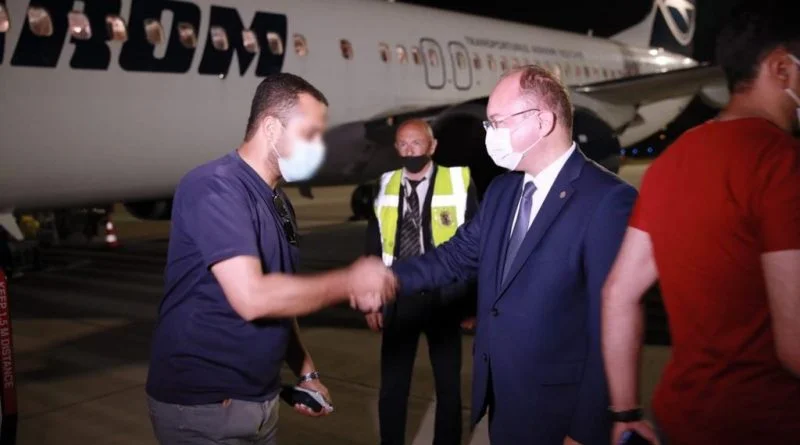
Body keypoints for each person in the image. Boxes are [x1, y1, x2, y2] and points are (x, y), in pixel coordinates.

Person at [364, 65, 638, 444]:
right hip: (502, 400)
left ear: (542, 121)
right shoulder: (502, 191)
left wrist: (585, 429)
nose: (489, 135)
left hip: (559, 412)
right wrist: (387, 278)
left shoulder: (608, 200)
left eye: (497, 122)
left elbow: (611, 323)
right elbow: (454, 257)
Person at [145, 73, 394, 445]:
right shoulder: (214, 187)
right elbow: (253, 297)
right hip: (206, 409)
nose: (318, 148)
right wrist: (349, 281)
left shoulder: (279, 202)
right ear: (272, 128)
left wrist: (306, 372)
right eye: (310, 135)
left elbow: (281, 298)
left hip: (261, 401)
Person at [601, 2, 800, 444]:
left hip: (681, 416)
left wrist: (625, 411)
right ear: (781, 68)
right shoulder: (782, 163)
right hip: (771, 423)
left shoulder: (671, 162)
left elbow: (618, 293)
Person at [365, 119, 478, 445]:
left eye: (416, 143)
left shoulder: (459, 181)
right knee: (393, 386)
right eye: (403, 144)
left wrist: (472, 303)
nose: (410, 150)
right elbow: (373, 244)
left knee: (448, 387)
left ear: (432, 146)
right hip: (399, 294)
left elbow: (476, 247)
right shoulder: (384, 184)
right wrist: (373, 299)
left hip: (446, 296)